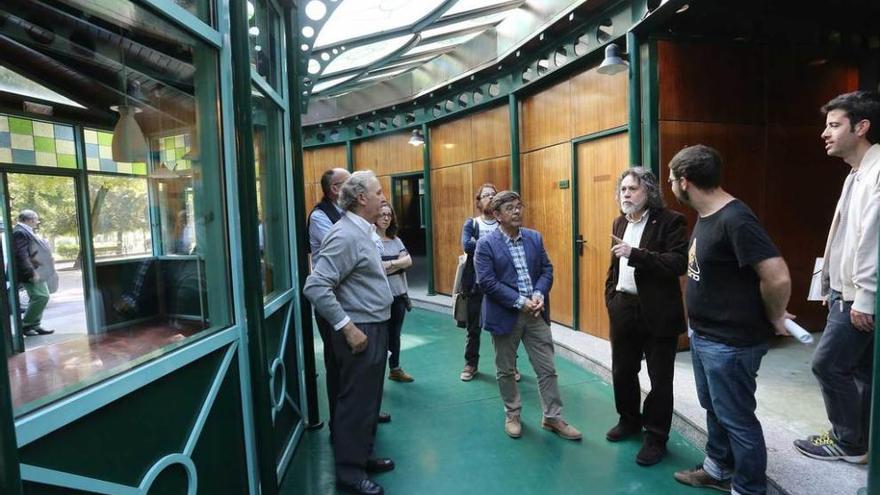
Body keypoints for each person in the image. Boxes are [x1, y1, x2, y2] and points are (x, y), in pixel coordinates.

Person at [668, 145, 792, 495]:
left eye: (671, 179)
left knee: (737, 419)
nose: (670, 185)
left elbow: (777, 275)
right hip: (706, 337)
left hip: (731, 344)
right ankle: (717, 468)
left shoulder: (735, 219)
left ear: (685, 181)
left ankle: (749, 488)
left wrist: (776, 314)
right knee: (714, 409)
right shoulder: (709, 217)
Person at [793, 91, 880, 464]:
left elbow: (873, 238)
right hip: (845, 291)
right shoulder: (855, 173)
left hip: (859, 296)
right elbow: (841, 236)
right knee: (859, 369)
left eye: (834, 125)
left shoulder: (876, 173)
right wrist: (827, 285)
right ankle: (862, 439)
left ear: (861, 127)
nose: (824, 134)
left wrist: (865, 296)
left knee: (827, 364)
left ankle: (849, 443)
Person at [303, 170, 394, 495]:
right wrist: (347, 327)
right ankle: (349, 473)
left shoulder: (362, 231)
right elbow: (315, 286)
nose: (384, 198)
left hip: (373, 325)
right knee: (355, 404)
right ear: (361, 198)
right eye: (379, 192)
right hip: (360, 330)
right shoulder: (344, 235)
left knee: (368, 402)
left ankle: (361, 456)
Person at [474, 190, 581, 441]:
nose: (517, 211)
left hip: (535, 314)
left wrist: (539, 294)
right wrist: (521, 302)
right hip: (505, 315)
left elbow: (546, 269)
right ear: (497, 215)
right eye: (510, 208)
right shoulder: (485, 244)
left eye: (519, 206)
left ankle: (552, 417)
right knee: (506, 370)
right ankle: (513, 414)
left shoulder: (534, 237)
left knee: (547, 368)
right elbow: (487, 282)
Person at [604, 166, 687, 466]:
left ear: (649, 191)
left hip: (658, 311)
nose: (626, 194)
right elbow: (614, 268)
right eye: (623, 189)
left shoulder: (671, 221)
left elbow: (678, 263)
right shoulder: (619, 222)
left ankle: (655, 437)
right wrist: (611, 298)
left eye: (632, 189)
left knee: (659, 379)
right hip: (624, 308)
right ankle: (629, 421)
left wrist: (635, 254)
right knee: (622, 371)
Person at [460, 184, 522, 382]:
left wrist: (481, 245)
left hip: (502, 284)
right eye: (485, 195)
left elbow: (511, 244)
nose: (489, 198)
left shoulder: (503, 223)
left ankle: (511, 366)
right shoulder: (472, 223)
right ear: (479, 201)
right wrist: (492, 246)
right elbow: (466, 245)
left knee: (507, 328)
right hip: (476, 284)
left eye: (492, 195)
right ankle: (471, 364)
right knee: (473, 329)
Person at [375, 203, 414, 383]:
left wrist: (389, 264)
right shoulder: (370, 240)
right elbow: (375, 268)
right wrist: (396, 263)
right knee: (378, 335)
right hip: (379, 297)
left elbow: (408, 261)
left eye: (389, 215)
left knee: (395, 334)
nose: (386, 218)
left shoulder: (396, 240)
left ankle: (395, 368)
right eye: (382, 214)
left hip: (399, 295)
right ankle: (375, 373)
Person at [13, 210, 58, 336]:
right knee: (41, 296)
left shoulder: (24, 230)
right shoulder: (19, 232)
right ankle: (26, 325)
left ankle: (34, 324)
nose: (37, 222)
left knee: (41, 296)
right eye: (36, 219)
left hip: (37, 270)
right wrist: (31, 272)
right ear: (30, 219)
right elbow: (21, 255)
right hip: (32, 272)